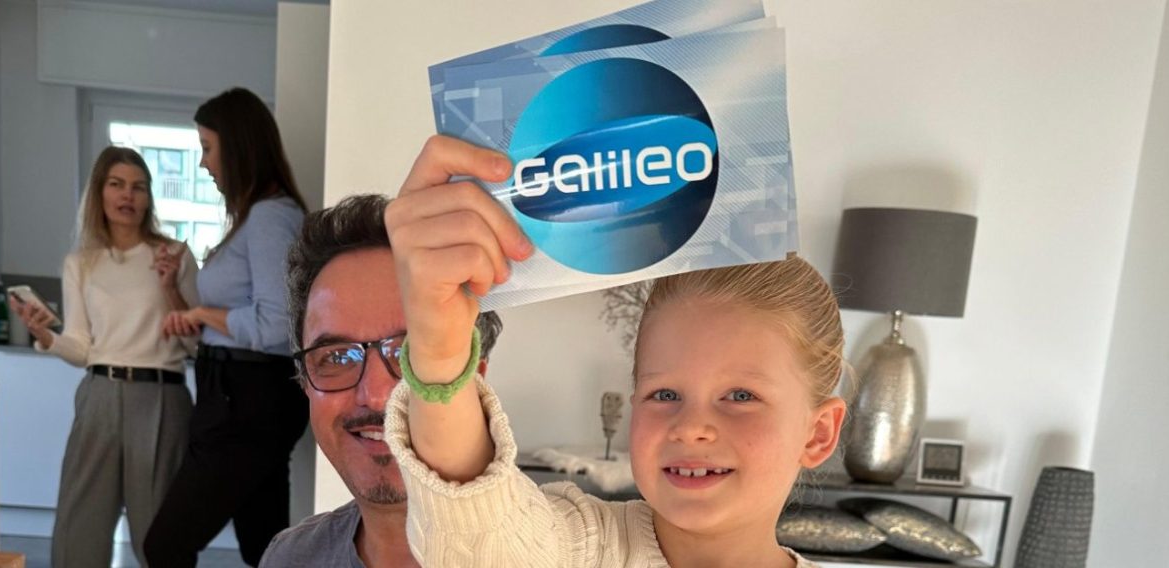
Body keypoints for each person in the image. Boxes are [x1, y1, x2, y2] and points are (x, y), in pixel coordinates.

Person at [381, 136, 848, 567]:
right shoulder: (581, 546)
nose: (690, 428)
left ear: (818, 434)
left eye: (741, 396)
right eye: (664, 394)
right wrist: (439, 353)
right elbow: (481, 536)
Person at [258, 194, 503, 568]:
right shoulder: (290, 558)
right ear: (305, 382)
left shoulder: (563, 554)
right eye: (337, 357)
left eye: (411, 353)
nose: (374, 395)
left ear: (476, 379)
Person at [144, 86, 311, 568]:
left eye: (207, 148)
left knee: (165, 545)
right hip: (241, 395)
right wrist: (176, 294)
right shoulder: (254, 218)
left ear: (237, 147)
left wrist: (200, 314)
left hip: (246, 401)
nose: (203, 163)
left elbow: (275, 326)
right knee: (265, 549)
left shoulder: (270, 217)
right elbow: (222, 330)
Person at [9, 146, 199, 568]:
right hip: (100, 392)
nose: (127, 195)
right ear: (99, 191)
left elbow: (196, 344)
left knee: (160, 532)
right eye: (116, 184)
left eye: (138, 187)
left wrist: (170, 287)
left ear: (149, 197)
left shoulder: (174, 256)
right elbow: (80, 347)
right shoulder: (81, 263)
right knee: (81, 524)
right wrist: (45, 336)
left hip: (161, 397)